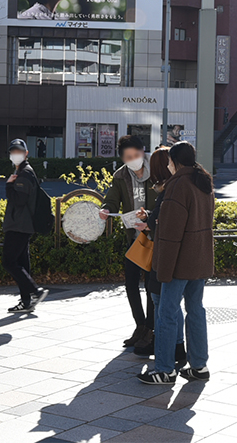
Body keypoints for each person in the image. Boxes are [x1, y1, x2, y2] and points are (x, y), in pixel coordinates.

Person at [137, 141, 213, 385]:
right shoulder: (203, 181)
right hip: (198, 258)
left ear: (174, 161)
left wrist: (163, 269)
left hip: (179, 261)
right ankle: (199, 366)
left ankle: (165, 369)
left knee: (167, 314)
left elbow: (170, 233)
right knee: (196, 311)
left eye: (169, 161)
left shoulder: (178, 184)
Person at [100, 135, 157, 348]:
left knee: (152, 286)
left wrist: (151, 217)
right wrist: (106, 209)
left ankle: (151, 329)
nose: (134, 159)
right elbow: (112, 200)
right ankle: (140, 326)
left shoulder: (158, 167)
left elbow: (166, 199)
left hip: (155, 237)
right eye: (128, 156)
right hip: (134, 238)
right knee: (131, 284)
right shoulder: (121, 175)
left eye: (136, 154)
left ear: (143, 150)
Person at [133, 147, 186, 363]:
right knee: (170, 305)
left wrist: (149, 225)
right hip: (171, 255)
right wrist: (150, 217)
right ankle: (176, 346)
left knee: (162, 303)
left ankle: (167, 352)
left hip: (164, 256)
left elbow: (166, 224)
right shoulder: (176, 186)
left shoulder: (170, 189)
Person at [2, 139, 48, 313]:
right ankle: (27, 301)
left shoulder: (24, 174)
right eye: (13, 151)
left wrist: (8, 186)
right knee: (21, 262)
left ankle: (35, 291)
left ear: (26, 153)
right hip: (22, 224)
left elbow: (19, 200)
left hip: (19, 224)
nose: (15, 154)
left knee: (8, 261)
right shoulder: (22, 172)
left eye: (19, 151)